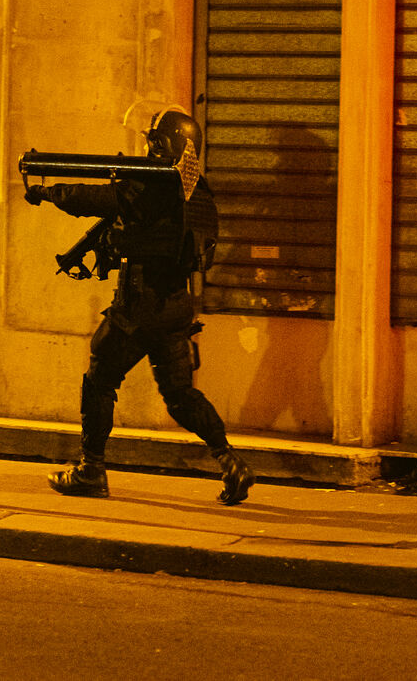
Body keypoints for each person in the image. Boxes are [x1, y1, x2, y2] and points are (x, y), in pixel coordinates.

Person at [23, 107, 255, 505]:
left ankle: (91, 470)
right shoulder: (196, 191)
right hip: (175, 305)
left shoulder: (154, 186)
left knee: (99, 379)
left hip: (139, 305)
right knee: (179, 395)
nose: (148, 149)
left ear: (164, 146)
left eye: (153, 142)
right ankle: (231, 461)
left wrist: (47, 192)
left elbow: (95, 198)